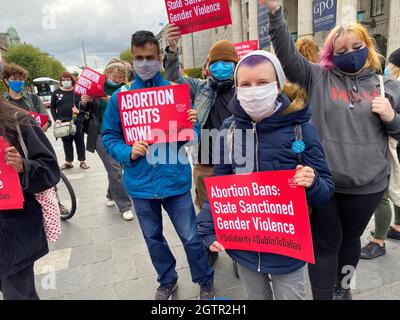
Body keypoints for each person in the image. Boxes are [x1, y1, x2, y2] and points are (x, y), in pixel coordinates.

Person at [265, 0, 400, 300]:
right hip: (325, 184)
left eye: (355, 47)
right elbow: (287, 56)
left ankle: (344, 288)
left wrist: (392, 117)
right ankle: (324, 295)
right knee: (325, 244)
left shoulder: (385, 85)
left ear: (367, 46)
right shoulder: (318, 76)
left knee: (350, 240)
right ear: (330, 55)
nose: (349, 54)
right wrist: (275, 12)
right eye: (340, 51)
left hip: (368, 187)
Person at [197, 50, 335, 300]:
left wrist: (312, 182)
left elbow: (326, 187)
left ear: (279, 85)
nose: (254, 90)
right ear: (237, 88)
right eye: (245, 84)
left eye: (262, 83)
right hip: (245, 246)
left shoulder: (300, 129)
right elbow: (220, 186)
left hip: (288, 248)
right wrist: (207, 228)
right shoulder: (228, 131)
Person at [102, 30, 215, 300]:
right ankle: (167, 279)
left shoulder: (175, 93)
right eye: (139, 58)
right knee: (153, 239)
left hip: (174, 181)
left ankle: (204, 279)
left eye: (150, 57)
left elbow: (191, 137)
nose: (145, 63)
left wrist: (191, 122)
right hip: (141, 184)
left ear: (158, 58)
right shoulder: (121, 98)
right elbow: (109, 136)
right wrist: (128, 151)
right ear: (132, 58)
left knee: (190, 236)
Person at [164, 27, 239, 212]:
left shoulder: (243, 90)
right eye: (216, 62)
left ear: (235, 65)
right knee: (210, 220)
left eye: (226, 62)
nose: (220, 66)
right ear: (209, 67)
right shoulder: (199, 88)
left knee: (237, 221)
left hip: (238, 166)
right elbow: (174, 81)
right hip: (206, 166)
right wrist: (172, 51)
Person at [0, 97, 60, 300]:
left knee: (18, 294)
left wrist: (23, 166)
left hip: (13, 233)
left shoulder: (18, 121)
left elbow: (49, 169)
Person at [81, 58, 134, 221]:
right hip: (100, 134)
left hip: (123, 135)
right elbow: (85, 110)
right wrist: (84, 103)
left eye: (120, 76)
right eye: (114, 75)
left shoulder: (126, 89)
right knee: (115, 169)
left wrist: (117, 102)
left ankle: (111, 194)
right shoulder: (96, 89)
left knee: (120, 168)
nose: (117, 79)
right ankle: (125, 205)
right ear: (107, 73)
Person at [361, 48, 400, 259]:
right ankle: (396, 228)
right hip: (387, 149)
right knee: (393, 190)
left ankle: (379, 242)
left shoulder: (390, 86)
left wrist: (389, 115)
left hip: (387, 149)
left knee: (383, 196)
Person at [50, 71, 89, 170]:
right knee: (66, 143)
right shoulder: (56, 92)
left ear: (72, 80)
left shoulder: (77, 92)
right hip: (63, 123)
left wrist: (79, 111)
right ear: (60, 81)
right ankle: (68, 161)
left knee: (80, 141)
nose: (65, 82)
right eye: (63, 80)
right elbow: (52, 108)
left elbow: (85, 106)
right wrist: (56, 119)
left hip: (77, 121)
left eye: (67, 80)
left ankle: (82, 161)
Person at [1, 63, 52, 132]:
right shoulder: (2, 101)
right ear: (6, 81)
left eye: (21, 79)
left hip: (34, 139)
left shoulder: (34, 98)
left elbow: (47, 120)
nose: (18, 82)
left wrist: (45, 125)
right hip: (11, 140)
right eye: (14, 79)